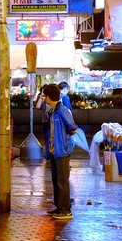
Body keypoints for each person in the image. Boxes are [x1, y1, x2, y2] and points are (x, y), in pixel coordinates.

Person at [42, 83, 78, 220]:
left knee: (62, 181)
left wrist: (64, 141)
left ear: (50, 97)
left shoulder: (62, 110)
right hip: (54, 151)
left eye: (45, 96)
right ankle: (59, 207)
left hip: (62, 151)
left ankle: (66, 209)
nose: (44, 98)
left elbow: (73, 128)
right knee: (56, 180)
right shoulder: (52, 111)